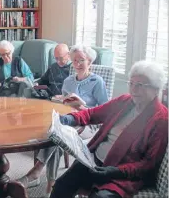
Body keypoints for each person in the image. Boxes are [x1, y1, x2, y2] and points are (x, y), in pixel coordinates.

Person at [50, 60, 168, 198]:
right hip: (94, 162)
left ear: (155, 89)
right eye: (131, 83)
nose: (133, 89)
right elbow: (92, 113)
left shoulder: (161, 119)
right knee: (62, 185)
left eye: (140, 85)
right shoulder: (125, 101)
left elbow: (148, 164)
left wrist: (114, 171)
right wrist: (69, 119)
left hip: (122, 174)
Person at [17, 45, 109, 195]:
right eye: (74, 61)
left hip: (88, 124)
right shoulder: (68, 81)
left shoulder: (97, 81)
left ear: (90, 61)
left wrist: (83, 109)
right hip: (70, 120)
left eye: (81, 60)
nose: (78, 64)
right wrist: (61, 101)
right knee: (56, 132)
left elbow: (105, 111)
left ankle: (38, 171)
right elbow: (65, 105)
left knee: (60, 133)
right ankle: (51, 182)